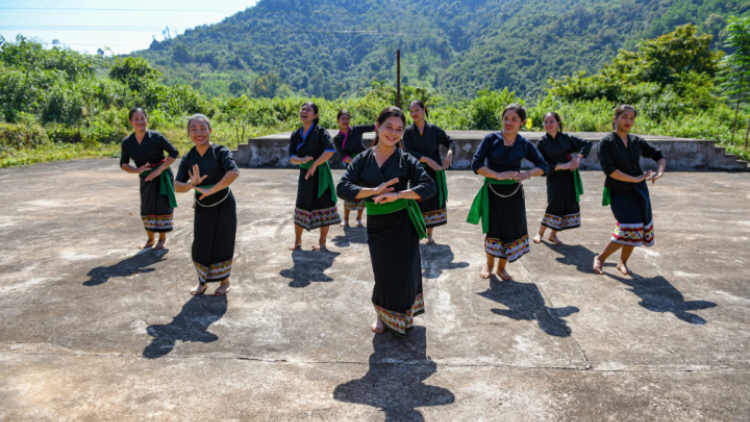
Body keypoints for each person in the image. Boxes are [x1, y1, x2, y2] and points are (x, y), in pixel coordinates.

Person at [337, 107, 436, 336]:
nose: (393, 133)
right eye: (389, 127)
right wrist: (373, 190)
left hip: (403, 222)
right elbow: (342, 187)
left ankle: (403, 314)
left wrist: (398, 195)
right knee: (382, 272)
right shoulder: (362, 159)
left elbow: (429, 186)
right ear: (377, 127)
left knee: (404, 272)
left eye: (399, 129)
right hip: (377, 224)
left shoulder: (406, 160)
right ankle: (381, 314)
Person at [467, 104, 548, 281]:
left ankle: (501, 267)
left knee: (510, 232)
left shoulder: (524, 144)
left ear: (522, 122)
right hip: (492, 192)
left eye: (514, 119)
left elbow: (543, 166)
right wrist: (498, 175)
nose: (509, 122)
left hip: (514, 195)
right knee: (494, 230)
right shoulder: (490, 140)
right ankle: (489, 264)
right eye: (506, 118)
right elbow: (476, 164)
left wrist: (526, 174)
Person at [593, 105, 666, 276]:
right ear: (615, 118)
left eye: (632, 118)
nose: (628, 121)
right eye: (624, 117)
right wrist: (634, 178)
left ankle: (622, 262)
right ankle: (601, 258)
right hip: (618, 190)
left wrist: (660, 171)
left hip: (639, 190)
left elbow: (658, 154)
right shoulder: (607, 142)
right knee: (628, 228)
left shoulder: (636, 141)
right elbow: (609, 169)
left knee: (638, 228)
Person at [174, 114, 240, 296]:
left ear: (209, 130)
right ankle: (202, 282)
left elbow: (233, 172)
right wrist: (191, 185)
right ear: (188, 133)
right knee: (201, 245)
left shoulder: (220, 151)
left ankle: (225, 281)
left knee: (222, 243)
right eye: (194, 129)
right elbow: (177, 185)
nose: (199, 132)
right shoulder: (188, 157)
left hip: (224, 204)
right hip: (203, 207)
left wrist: (212, 189)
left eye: (203, 128)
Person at [119, 107, 179, 250]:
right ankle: (150, 239)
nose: (140, 121)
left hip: (162, 174)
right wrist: (137, 170)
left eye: (142, 118)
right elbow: (123, 163)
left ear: (146, 119)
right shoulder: (127, 142)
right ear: (130, 121)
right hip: (146, 177)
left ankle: (162, 239)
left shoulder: (156, 137)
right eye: (136, 119)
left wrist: (159, 169)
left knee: (162, 205)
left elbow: (174, 152)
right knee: (146, 207)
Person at [533, 112, 592, 244]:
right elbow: (541, 165)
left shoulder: (566, 138)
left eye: (551, 121)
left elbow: (587, 144)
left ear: (558, 123)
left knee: (568, 205)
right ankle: (540, 233)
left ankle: (553, 234)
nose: (548, 124)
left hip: (569, 177)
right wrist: (562, 166)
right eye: (546, 122)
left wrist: (578, 157)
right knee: (554, 205)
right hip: (555, 177)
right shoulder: (542, 143)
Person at [288, 102, 340, 250]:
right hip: (305, 175)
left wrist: (315, 164)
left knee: (324, 205)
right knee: (301, 205)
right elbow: (291, 156)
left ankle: (322, 241)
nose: (304, 111)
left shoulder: (321, 132)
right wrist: (301, 160)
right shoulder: (296, 134)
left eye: (308, 110)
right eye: (302, 109)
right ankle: (298, 240)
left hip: (320, 173)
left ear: (315, 115)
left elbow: (330, 151)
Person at [402, 100, 456, 244]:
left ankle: (429, 234)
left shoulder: (434, 130)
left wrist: (450, 152)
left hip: (434, 173)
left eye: (416, 110)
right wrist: (426, 159)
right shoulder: (408, 132)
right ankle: (416, 234)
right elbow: (407, 151)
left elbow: (449, 141)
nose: (414, 113)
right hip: (417, 172)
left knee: (432, 203)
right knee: (417, 201)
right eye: (411, 111)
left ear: (423, 110)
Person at [332, 109, 375, 227]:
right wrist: (355, 164)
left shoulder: (356, 130)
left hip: (365, 162)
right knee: (350, 190)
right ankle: (345, 218)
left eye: (347, 118)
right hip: (352, 165)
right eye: (343, 118)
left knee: (363, 190)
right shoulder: (337, 139)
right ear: (338, 121)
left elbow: (373, 127)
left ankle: (359, 218)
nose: (345, 121)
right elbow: (343, 156)